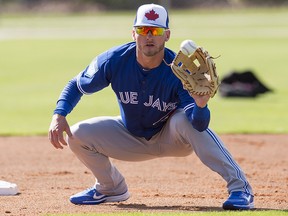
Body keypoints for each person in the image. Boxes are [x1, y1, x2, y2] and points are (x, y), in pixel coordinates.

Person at [48, 3, 254, 210]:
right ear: (133, 34)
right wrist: (59, 113)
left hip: (171, 138)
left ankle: (240, 188)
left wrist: (200, 106)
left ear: (167, 35)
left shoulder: (180, 70)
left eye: (155, 31)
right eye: (142, 30)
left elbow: (198, 126)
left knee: (184, 119)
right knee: (77, 134)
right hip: (130, 136)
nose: (149, 36)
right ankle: (110, 187)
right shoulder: (114, 60)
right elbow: (77, 84)